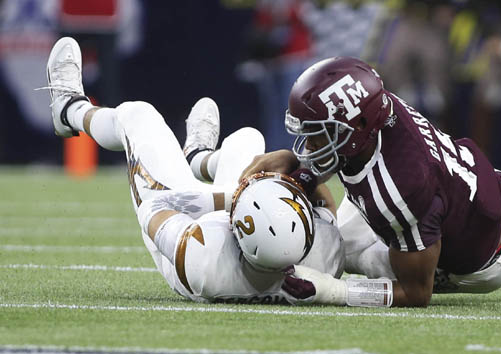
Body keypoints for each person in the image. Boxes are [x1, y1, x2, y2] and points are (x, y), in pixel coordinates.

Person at [241, 56, 501, 308]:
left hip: (484, 264)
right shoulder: (381, 106)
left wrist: (330, 291)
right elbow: (347, 152)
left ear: (356, 127)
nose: (309, 144)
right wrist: (299, 167)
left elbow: (416, 294)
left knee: (342, 249)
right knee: (464, 199)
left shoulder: (399, 190)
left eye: (318, 134)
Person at [43, 37, 348, 304]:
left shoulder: (202, 254)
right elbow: (327, 208)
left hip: (182, 229)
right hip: (242, 232)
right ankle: (198, 157)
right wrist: (293, 180)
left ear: (236, 228)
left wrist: (231, 196)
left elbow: (156, 207)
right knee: (248, 138)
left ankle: (69, 109)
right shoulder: (323, 256)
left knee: (139, 116)